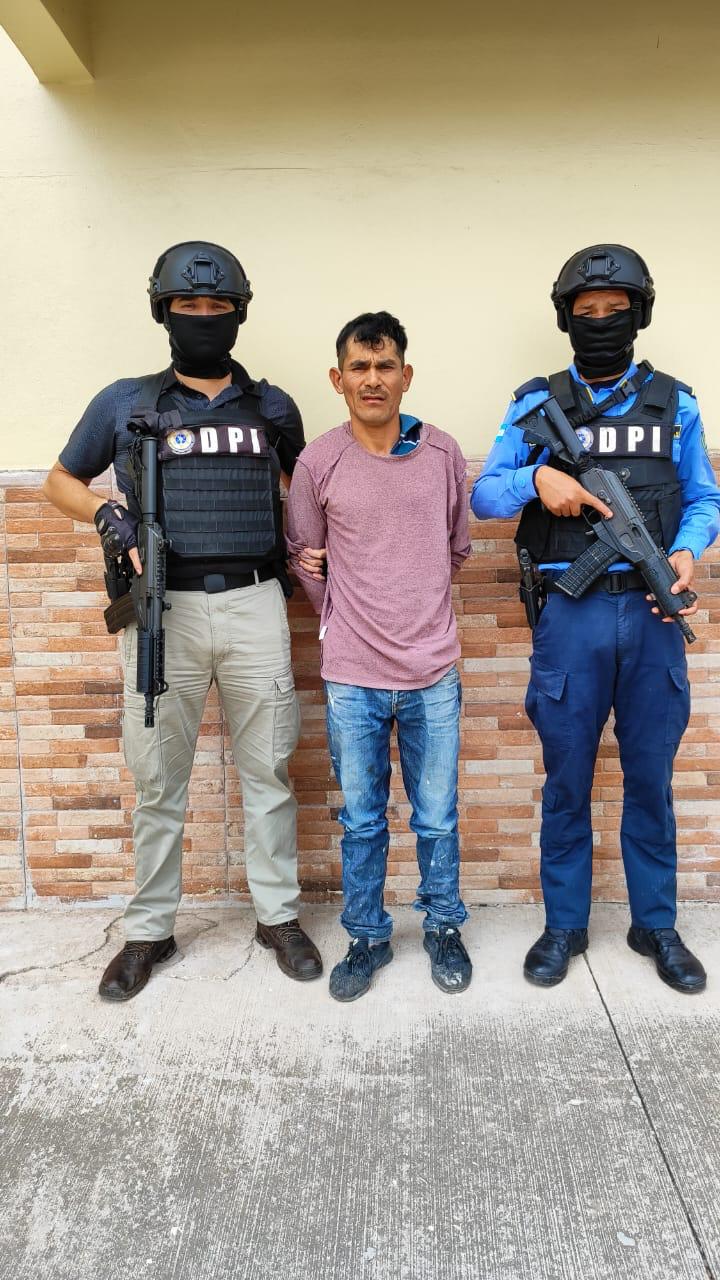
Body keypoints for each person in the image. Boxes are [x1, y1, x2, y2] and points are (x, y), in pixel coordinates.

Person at [42, 240, 322, 1000]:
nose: (203, 317)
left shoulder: (272, 407)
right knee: (158, 777)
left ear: (238, 314)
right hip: (163, 610)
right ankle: (149, 930)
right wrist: (107, 513)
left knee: (268, 768)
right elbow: (59, 480)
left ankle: (277, 917)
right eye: (187, 306)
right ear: (163, 313)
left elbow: (306, 490)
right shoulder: (126, 402)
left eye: (216, 306)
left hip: (256, 601)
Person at [472, 244, 720, 993]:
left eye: (617, 311)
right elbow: (485, 495)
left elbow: (703, 498)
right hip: (571, 614)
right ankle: (564, 925)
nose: (603, 322)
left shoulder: (676, 404)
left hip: (650, 614)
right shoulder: (533, 404)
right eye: (589, 312)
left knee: (650, 777)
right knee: (566, 779)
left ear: (639, 316)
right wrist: (536, 478)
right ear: (568, 319)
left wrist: (686, 552)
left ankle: (655, 923)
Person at [286, 311, 472, 1002]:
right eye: (359, 367)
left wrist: (413, 606)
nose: (372, 379)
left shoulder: (442, 453)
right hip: (353, 677)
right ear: (338, 379)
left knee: (437, 816)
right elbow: (305, 558)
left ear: (406, 375)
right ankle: (366, 937)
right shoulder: (318, 462)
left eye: (384, 365)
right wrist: (343, 617)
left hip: (432, 672)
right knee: (362, 820)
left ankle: (443, 928)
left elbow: (455, 549)